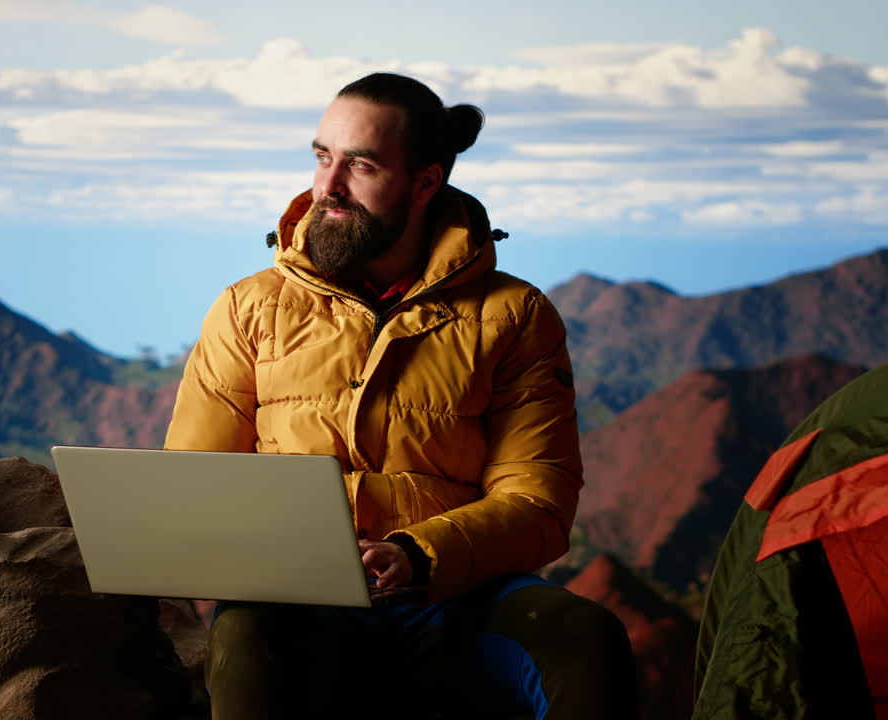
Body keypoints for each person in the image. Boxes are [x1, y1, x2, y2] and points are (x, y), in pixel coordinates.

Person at [164, 72, 638, 720]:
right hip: (294, 602)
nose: (326, 186)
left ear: (424, 182)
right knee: (248, 632)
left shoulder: (515, 316)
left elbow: (539, 503)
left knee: (585, 637)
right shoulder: (249, 309)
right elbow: (195, 488)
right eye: (322, 157)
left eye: (359, 166)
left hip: (458, 598)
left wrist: (417, 556)